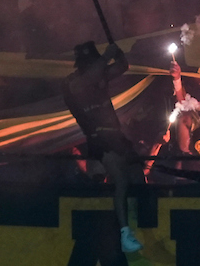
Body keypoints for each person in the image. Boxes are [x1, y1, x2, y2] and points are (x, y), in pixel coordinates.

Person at [61, 42, 141, 255]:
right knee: (121, 179)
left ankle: (136, 223)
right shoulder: (72, 83)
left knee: (137, 174)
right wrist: (107, 55)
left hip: (116, 136)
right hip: (99, 138)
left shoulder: (99, 75)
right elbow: (88, 78)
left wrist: (118, 53)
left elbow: (123, 66)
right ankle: (125, 233)